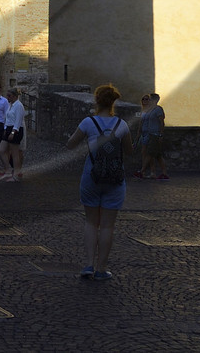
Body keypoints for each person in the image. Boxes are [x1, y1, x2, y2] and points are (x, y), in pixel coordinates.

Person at [67, 83, 129, 280]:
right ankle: (102, 269)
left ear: (96, 101)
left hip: (91, 176)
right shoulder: (122, 125)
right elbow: (129, 151)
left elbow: (70, 144)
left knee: (91, 222)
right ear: (114, 102)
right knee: (108, 225)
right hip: (115, 179)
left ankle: (88, 264)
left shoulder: (88, 123)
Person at [138, 93, 168, 180]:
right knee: (158, 155)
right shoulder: (151, 110)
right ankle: (164, 173)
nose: (148, 101)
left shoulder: (158, 109)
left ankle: (142, 171)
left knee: (150, 153)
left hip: (155, 134)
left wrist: (160, 134)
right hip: (151, 134)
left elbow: (162, 122)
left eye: (150, 99)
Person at [0, 88, 26, 181]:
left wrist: (13, 132)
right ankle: (7, 171)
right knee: (1, 150)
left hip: (16, 130)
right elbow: (8, 118)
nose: (7, 97)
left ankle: (16, 174)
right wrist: (6, 130)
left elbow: (18, 121)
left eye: (9, 96)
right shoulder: (11, 105)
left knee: (15, 154)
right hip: (9, 128)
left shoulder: (19, 106)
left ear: (14, 96)